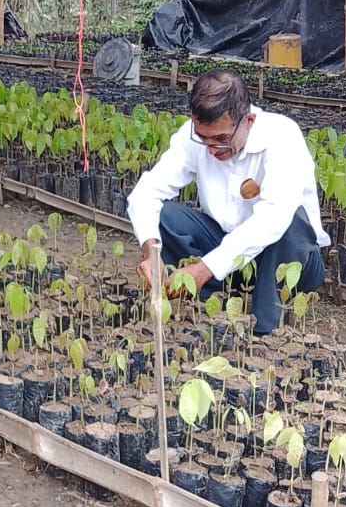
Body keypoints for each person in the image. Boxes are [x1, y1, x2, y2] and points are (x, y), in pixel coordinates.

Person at [127, 66, 328, 333]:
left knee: (289, 221)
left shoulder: (282, 137)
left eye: (221, 139)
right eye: (204, 138)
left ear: (248, 121)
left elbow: (273, 219)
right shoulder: (193, 137)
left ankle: (265, 329)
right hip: (228, 254)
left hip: (292, 261)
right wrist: (150, 252)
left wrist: (205, 267)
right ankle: (208, 300)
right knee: (165, 217)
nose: (212, 148)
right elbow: (147, 191)